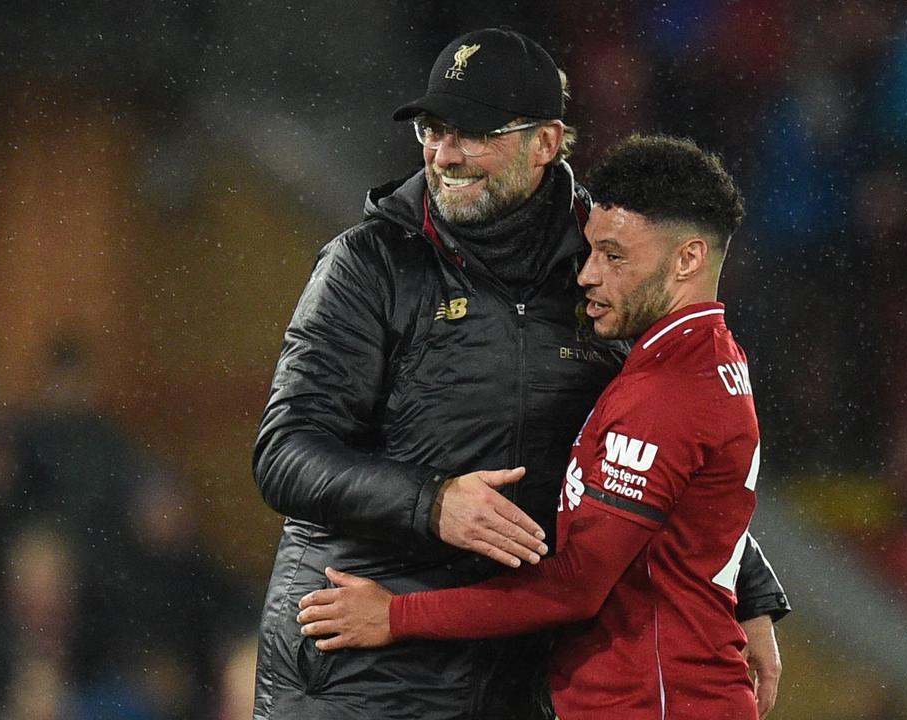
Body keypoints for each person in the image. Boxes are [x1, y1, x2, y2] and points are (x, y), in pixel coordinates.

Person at [252, 28, 788, 720]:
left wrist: (747, 594)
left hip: (516, 666)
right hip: (359, 655)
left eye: (473, 132)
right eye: (433, 128)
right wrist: (433, 501)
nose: (445, 154)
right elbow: (284, 452)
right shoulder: (370, 264)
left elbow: (666, 450)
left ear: (546, 142)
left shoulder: (606, 266)